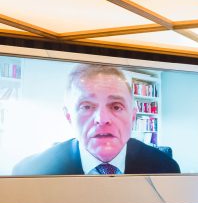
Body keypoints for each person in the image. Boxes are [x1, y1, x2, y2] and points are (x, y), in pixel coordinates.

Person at [12, 64, 180, 175]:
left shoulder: (166, 168)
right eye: (86, 106)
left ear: (133, 116)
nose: (102, 119)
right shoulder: (30, 172)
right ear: (69, 117)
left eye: (116, 107)